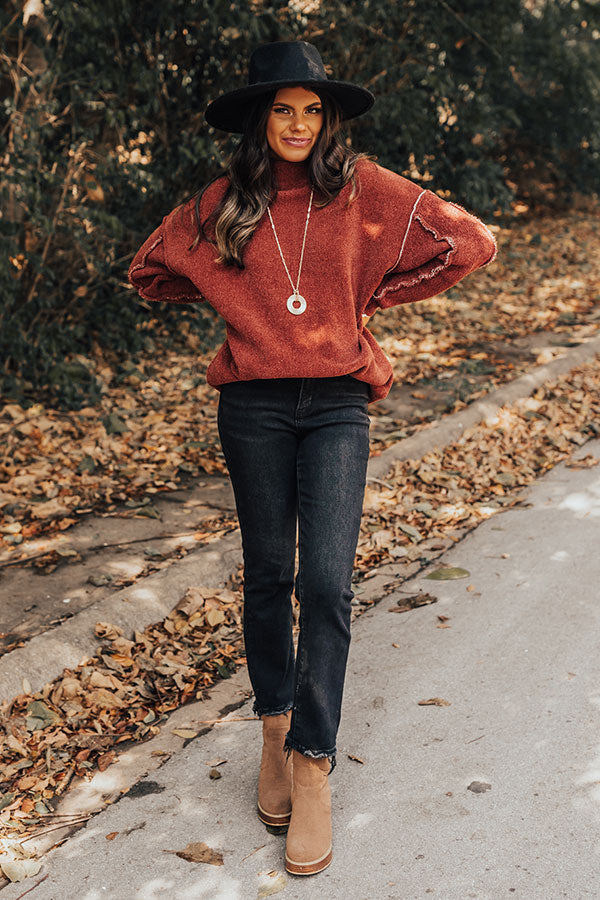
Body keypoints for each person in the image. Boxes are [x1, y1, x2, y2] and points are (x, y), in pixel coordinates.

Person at [128, 40, 498, 877]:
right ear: (262, 119)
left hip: (336, 403)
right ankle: (273, 727)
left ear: (328, 119)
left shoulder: (364, 191)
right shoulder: (223, 204)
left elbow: (469, 243)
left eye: (312, 109)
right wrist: (239, 304)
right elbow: (152, 272)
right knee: (267, 573)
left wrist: (366, 299)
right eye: (282, 108)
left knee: (326, 582)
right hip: (252, 406)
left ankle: (314, 762)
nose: (298, 123)